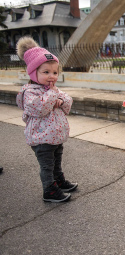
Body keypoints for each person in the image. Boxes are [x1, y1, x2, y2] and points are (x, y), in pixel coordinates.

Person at [16, 36, 77, 202]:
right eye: (46, 72)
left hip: (55, 136)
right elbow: (39, 108)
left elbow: (68, 100)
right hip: (41, 138)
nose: (52, 76)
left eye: (55, 72)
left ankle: (58, 181)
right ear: (33, 73)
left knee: (57, 161)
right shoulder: (30, 91)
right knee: (47, 165)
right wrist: (52, 95)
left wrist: (61, 100)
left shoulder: (51, 89)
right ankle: (49, 190)